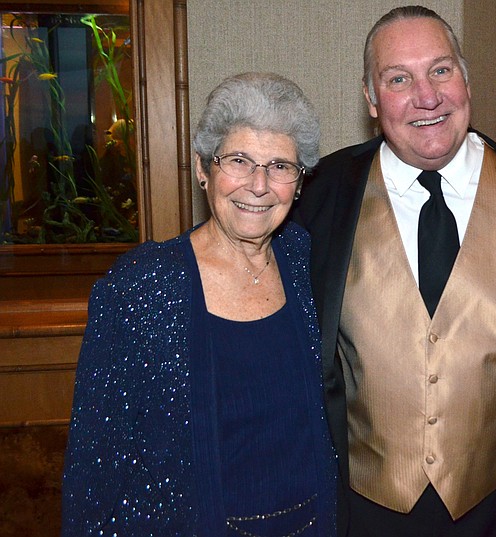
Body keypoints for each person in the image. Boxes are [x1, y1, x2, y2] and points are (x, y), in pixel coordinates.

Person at [295, 6, 496, 536]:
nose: (426, 96)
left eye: (440, 70)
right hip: (362, 509)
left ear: (465, 79)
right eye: (399, 78)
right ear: (371, 100)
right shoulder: (319, 197)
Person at [61, 72, 337, 536]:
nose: (258, 185)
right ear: (202, 169)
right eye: (239, 160)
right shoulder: (140, 288)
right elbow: (96, 470)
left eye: (280, 166)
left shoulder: (305, 260)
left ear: (300, 181)